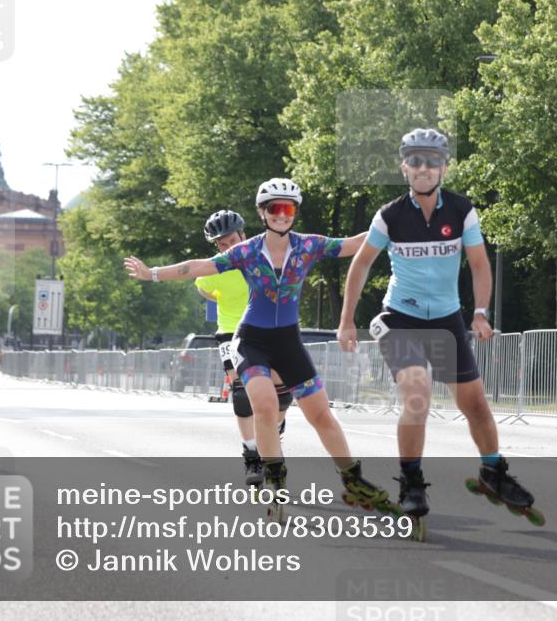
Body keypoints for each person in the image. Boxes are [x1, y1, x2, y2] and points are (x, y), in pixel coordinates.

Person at [125, 178, 393, 519]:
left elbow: (355, 244)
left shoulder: (308, 245)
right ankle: (275, 479)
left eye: (288, 208)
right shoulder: (247, 251)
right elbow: (199, 266)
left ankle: (353, 479)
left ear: (294, 212)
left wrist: (389, 221)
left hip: (288, 342)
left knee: (321, 415)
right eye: (273, 208)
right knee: (264, 408)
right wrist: (153, 274)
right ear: (262, 213)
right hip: (251, 340)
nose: (281, 215)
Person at [337, 128, 540, 536]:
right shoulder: (390, 215)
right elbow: (360, 265)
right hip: (402, 319)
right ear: (404, 167)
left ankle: (493, 472)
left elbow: (480, 264)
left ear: (444, 167)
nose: (423, 168)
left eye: (432, 161)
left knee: (476, 405)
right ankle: (411, 481)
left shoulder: (462, 211)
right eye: (415, 161)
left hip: (446, 319)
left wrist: (480, 313)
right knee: (417, 392)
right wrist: (346, 319)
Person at [195, 209, 292, 487]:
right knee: (241, 395)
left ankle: (273, 432)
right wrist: (221, 297)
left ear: (243, 235)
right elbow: (203, 287)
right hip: (230, 332)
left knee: (282, 395)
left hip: (268, 329)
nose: (228, 248)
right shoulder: (215, 265)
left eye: (232, 241)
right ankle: (251, 452)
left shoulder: (264, 257)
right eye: (221, 244)